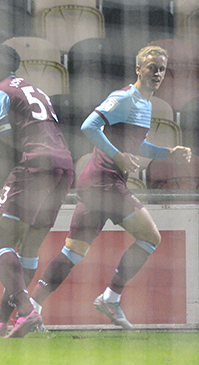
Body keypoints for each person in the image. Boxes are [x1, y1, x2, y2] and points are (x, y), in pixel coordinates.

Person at [27, 45, 192, 330]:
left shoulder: (145, 103)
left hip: (97, 183)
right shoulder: (124, 97)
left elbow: (134, 145)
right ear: (138, 68)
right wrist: (117, 156)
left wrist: (169, 153)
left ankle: (32, 307)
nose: (157, 73)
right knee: (150, 237)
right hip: (105, 181)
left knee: (74, 252)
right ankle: (110, 298)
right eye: (152, 67)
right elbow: (89, 126)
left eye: (162, 69)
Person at [0, 44, 74, 338]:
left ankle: (27, 312)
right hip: (64, 166)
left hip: (34, 167)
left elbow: (8, 151)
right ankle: (2, 319)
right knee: (28, 249)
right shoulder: (35, 89)